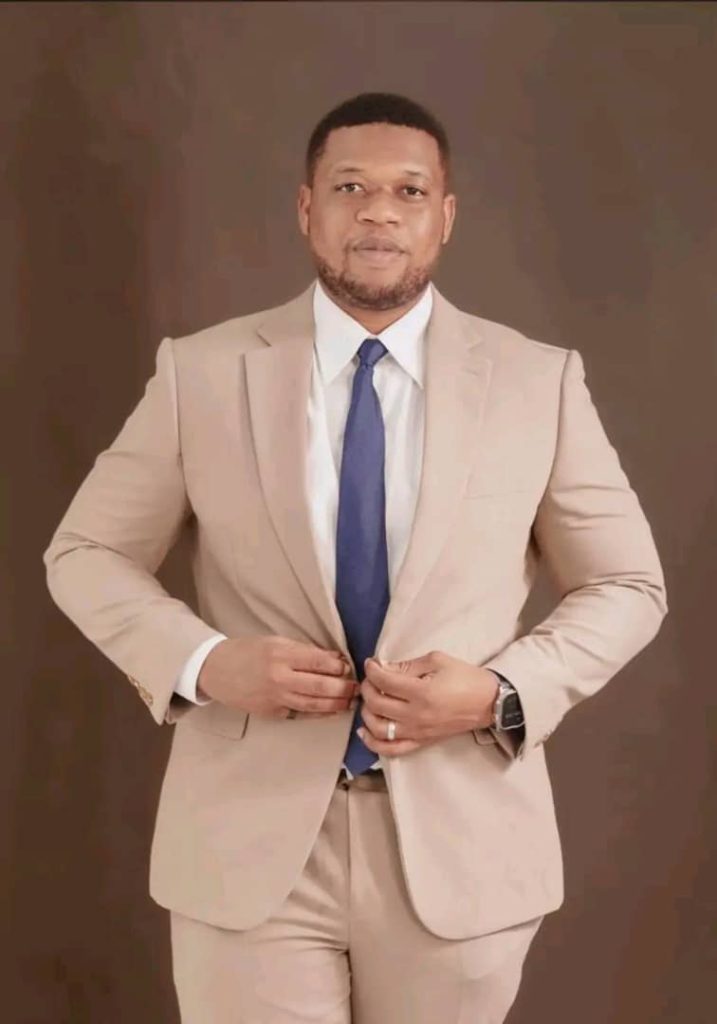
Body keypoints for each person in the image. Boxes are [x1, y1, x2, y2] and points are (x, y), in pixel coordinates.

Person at [42, 91, 668, 1023]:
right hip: (246, 850)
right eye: (349, 187)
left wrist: (501, 690)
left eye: (408, 191)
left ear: (444, 217)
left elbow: (626, 583)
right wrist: (205, 663)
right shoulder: (200, 373)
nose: (378, 211)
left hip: (460, 850)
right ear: (308, 210)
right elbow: (87, 551)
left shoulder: (537, 382)